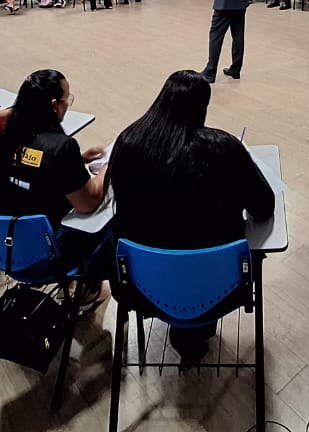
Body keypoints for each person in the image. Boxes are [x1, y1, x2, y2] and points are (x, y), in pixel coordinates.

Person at [109, 69, 275, 360]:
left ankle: (183, 320)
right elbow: (264, 207)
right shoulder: (223, 147)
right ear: (203, 108)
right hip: (222, 285)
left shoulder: (128, 142)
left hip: (141, 285)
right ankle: (196, 325)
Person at [0, 70, 110, 289]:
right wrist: (107, 169)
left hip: (3, 245)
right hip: (44, 255)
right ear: (55, 105)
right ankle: (89, 288)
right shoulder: (60, 147)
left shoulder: (5, 137)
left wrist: (78, 161)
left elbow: (31, 168)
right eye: (68, 99)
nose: (68, 104)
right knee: (110, 218)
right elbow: (89, 201)